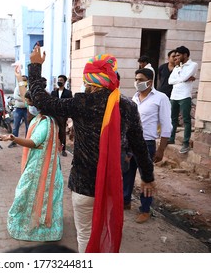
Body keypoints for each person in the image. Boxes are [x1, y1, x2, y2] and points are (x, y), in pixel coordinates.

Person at [28, 46, 155, 253]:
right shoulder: (128, 106)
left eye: (86, 79)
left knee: (85, 234)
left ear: (91, 81)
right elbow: (140, 146)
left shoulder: (82, 103)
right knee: (106, 230)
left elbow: (42, 101)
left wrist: (35, 67)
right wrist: (148, 177)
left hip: (83, 186)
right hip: (111, 186)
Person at [0, 90, 63, 242]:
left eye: (30, 103)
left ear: (38, 104)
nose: (28, 107)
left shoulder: (46, 122)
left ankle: (34, 226)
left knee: (26, 191)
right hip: (41, 162)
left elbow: (34, 142)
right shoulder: (41, 118)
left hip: (40, 166)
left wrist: (13, 138)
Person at [123, 68, 172, 223]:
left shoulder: (160, 98)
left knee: (146, 177)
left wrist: (161, 149)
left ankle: (145, 209)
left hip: (147, 144)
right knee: (127, 173)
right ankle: (126, 201)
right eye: (136, 79)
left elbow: (166, 124)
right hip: (130, 143)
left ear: (149, 82)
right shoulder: (135, 98)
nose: (137, 82)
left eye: (140, 79)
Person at [168, 46, 198, 154]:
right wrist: (183, 79)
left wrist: (183, 79)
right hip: (174, 95)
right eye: (175, 55)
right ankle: (171, 138)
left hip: (185, 95)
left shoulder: (193, 65)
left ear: (185, 55)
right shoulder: (177, 67)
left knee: (186, 120)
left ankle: (185, 143)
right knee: (173, 118)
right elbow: (170, 81)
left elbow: (185, 77)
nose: (176, 57)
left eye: (178, 55)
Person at [51, 75, 73, 156]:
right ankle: (54, 147)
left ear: (64, 82)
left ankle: (63, 149)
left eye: (61, 80)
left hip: (63, 115)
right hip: (54, 114)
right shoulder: (53, 92)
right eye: (58, 80)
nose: (59, 81)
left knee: (62, 131)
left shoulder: (68, 92)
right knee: (53, 130)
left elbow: (70, 103)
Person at [8, 73, 28, 148]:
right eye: (22, 80)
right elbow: (15, 96)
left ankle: (27, 142)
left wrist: (22, 98)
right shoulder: (17, 88)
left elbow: (29, 97)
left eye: (25, 80)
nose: (23, 81)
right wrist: (24, 99)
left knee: (28, 126)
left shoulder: (29, 89)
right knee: (15, 126)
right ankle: (14, 142)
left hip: (27, 110)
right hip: (18, 109)